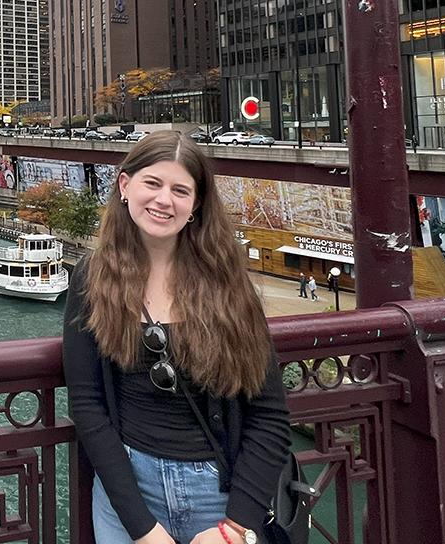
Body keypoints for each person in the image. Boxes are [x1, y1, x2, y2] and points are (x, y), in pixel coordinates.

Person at [63, 131, 291, 544]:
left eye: (180, 190)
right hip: (128, 492)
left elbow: (269, 412)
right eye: (152, 183)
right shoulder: (91, 278)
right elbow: (87, 404)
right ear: (125, 185)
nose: (163, 200)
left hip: (219, 494)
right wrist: (141, 526)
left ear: (196, 205)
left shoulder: (227, 285)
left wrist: (236, 525)